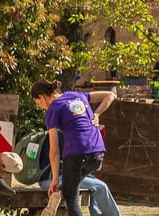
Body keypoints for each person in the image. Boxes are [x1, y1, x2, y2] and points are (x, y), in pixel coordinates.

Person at [33, 81, 114, 216]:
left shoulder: (53, 109)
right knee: (70, 185)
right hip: (97, 153)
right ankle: (62, 189)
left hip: (76, 154)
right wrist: (97, 114)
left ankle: (60, 191)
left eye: (38, 103)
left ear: (42, 97)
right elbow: (110, 95)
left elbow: (54, 149)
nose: (41, 107)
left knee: (71, 197)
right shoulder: (78, 95)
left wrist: (54, 179)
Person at [26, 124, 121, 216]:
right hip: (56, 181)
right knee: (100, 187)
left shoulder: (52, 135)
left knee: (92, 184)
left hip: (44, 181)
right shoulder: (68, 137)